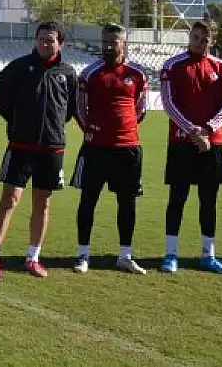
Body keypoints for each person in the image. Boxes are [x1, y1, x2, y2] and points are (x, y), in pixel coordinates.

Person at [0, 20, 78, 279]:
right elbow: (2, 103)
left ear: (60, 43)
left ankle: (33, 257)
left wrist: (52, 128)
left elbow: (69, 109)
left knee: (42, 203)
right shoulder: (17, 68)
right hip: (20, 146)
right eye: (41, 39)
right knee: (9, 200)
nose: (44, 43)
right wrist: (19, 124)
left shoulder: (68, 73)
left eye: (50, 40)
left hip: (52, 149)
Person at [70, 24, 149, 275]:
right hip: (96, 148)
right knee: (88, 200)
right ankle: (83, 254)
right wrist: (91, 131)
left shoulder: (137, 74)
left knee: (127, 203)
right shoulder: (90, 74)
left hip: (128, 148)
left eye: (113, 42)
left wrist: (125, 129)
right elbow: (80, 109)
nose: (108, 45)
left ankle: (125, 255)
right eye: (105, 41)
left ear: (123, 44)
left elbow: (141, 108)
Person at [159, 20, 222, 274]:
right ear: (189, 36)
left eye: (205, 38)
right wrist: (193, 131)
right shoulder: (172, 66)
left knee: (208, 200)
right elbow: (168, 103)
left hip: (212, 144)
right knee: (177, 198)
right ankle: (170, 254)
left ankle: (208, 255)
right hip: (182, 142)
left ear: (211, 42)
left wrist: (208, 130)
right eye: (196, 36)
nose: (199, 41)